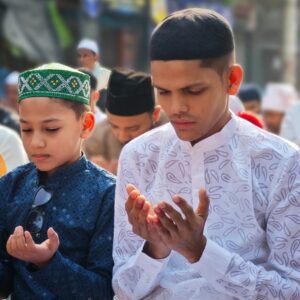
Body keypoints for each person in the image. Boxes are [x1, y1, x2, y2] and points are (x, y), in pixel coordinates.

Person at [112, 8, 300, 300]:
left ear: (231, 80)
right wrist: (156, 248)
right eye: (163, 91)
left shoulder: (280, 162)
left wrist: (200, 251)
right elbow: (123, 289)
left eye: (193, 91)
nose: (176, 107)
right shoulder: (139, 155)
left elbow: (292, 291)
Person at [0, 63, 115, 299]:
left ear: (86, 125)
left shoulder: (108, 194)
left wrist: (48, 262)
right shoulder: (10, 186)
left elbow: (106, 291)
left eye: (51, 129)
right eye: (27, 129)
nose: (36, 143)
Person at [84, 67, 168, 174]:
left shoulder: (177, 133)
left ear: (155, 115)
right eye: (114, 126)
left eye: (133, 128)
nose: (122, 137)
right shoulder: (96, 141)